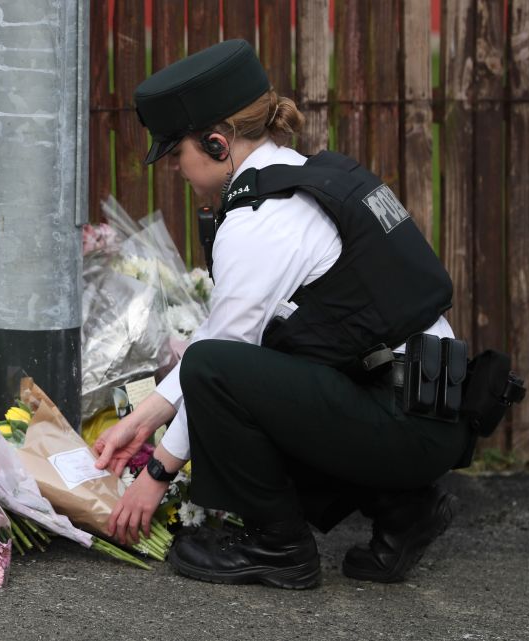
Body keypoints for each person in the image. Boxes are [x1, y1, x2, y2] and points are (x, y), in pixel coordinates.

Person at [93, 39, 472, 590]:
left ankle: (278, 546)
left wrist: (155, 476)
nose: (175, 167)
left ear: (218, 142)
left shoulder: (259, 221)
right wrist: (144, 418)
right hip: (426, 410)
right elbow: (250, 339)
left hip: (404, 422)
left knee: (218, 372)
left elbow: (219, 362)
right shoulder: (303, 175)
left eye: (178, 153)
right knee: (261, 362)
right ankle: (404, 510)